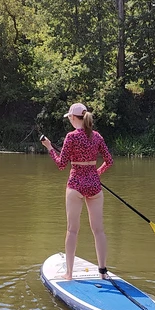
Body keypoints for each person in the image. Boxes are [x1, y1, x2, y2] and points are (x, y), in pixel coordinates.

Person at [41, 103, 113, 281]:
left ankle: (69, 273)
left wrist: (50, 147)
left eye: (70, 118)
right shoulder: (97, 137)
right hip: (94, 186)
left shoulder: (71, 137)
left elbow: (61, 164)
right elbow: (109, 161)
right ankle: (103, 271)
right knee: (99, 230)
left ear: (73, 118)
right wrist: (96, 173)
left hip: (75, 185)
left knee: (72, 230)